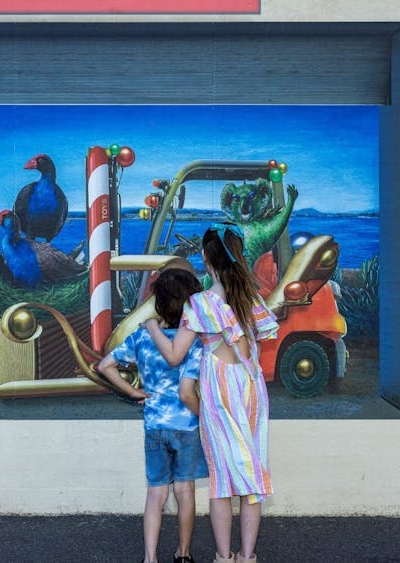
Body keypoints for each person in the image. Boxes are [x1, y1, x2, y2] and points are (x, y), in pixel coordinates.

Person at [143, 223, 278, 563]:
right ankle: (247, 557)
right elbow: (253, 350)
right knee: (250, 477)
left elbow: (175, 355)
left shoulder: (200, 304)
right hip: (250, 390)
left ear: (205, 257)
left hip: (219, 392)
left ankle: (223, 556)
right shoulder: (251, 300)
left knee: (221, 480)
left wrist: (152, 327)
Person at [97, 267, 208, 563]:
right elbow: (189, 391)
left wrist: (133, 392)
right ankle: (183, 554)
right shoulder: (194, 342)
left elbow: (104, 366)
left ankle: (150, 558)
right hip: (186, 427)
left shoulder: (142, 337)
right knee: (185, 492)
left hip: (155, 424)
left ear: (158, 302)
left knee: (156, 495)